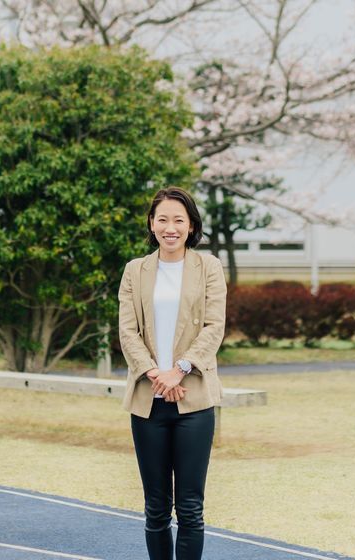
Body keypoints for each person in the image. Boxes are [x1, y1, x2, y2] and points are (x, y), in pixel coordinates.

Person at [118, 186, 227, 560]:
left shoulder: (208, 266)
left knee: (191, 509)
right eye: (162, 219)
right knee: (156, 509)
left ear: (191, 225)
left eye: (178, 220)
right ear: (151, 224)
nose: (170, 227)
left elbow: (214, 326)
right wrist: (154, 373)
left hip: (193, 400)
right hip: (149, 401)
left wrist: (179, 370)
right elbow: (127, 331)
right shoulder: (135, 270)